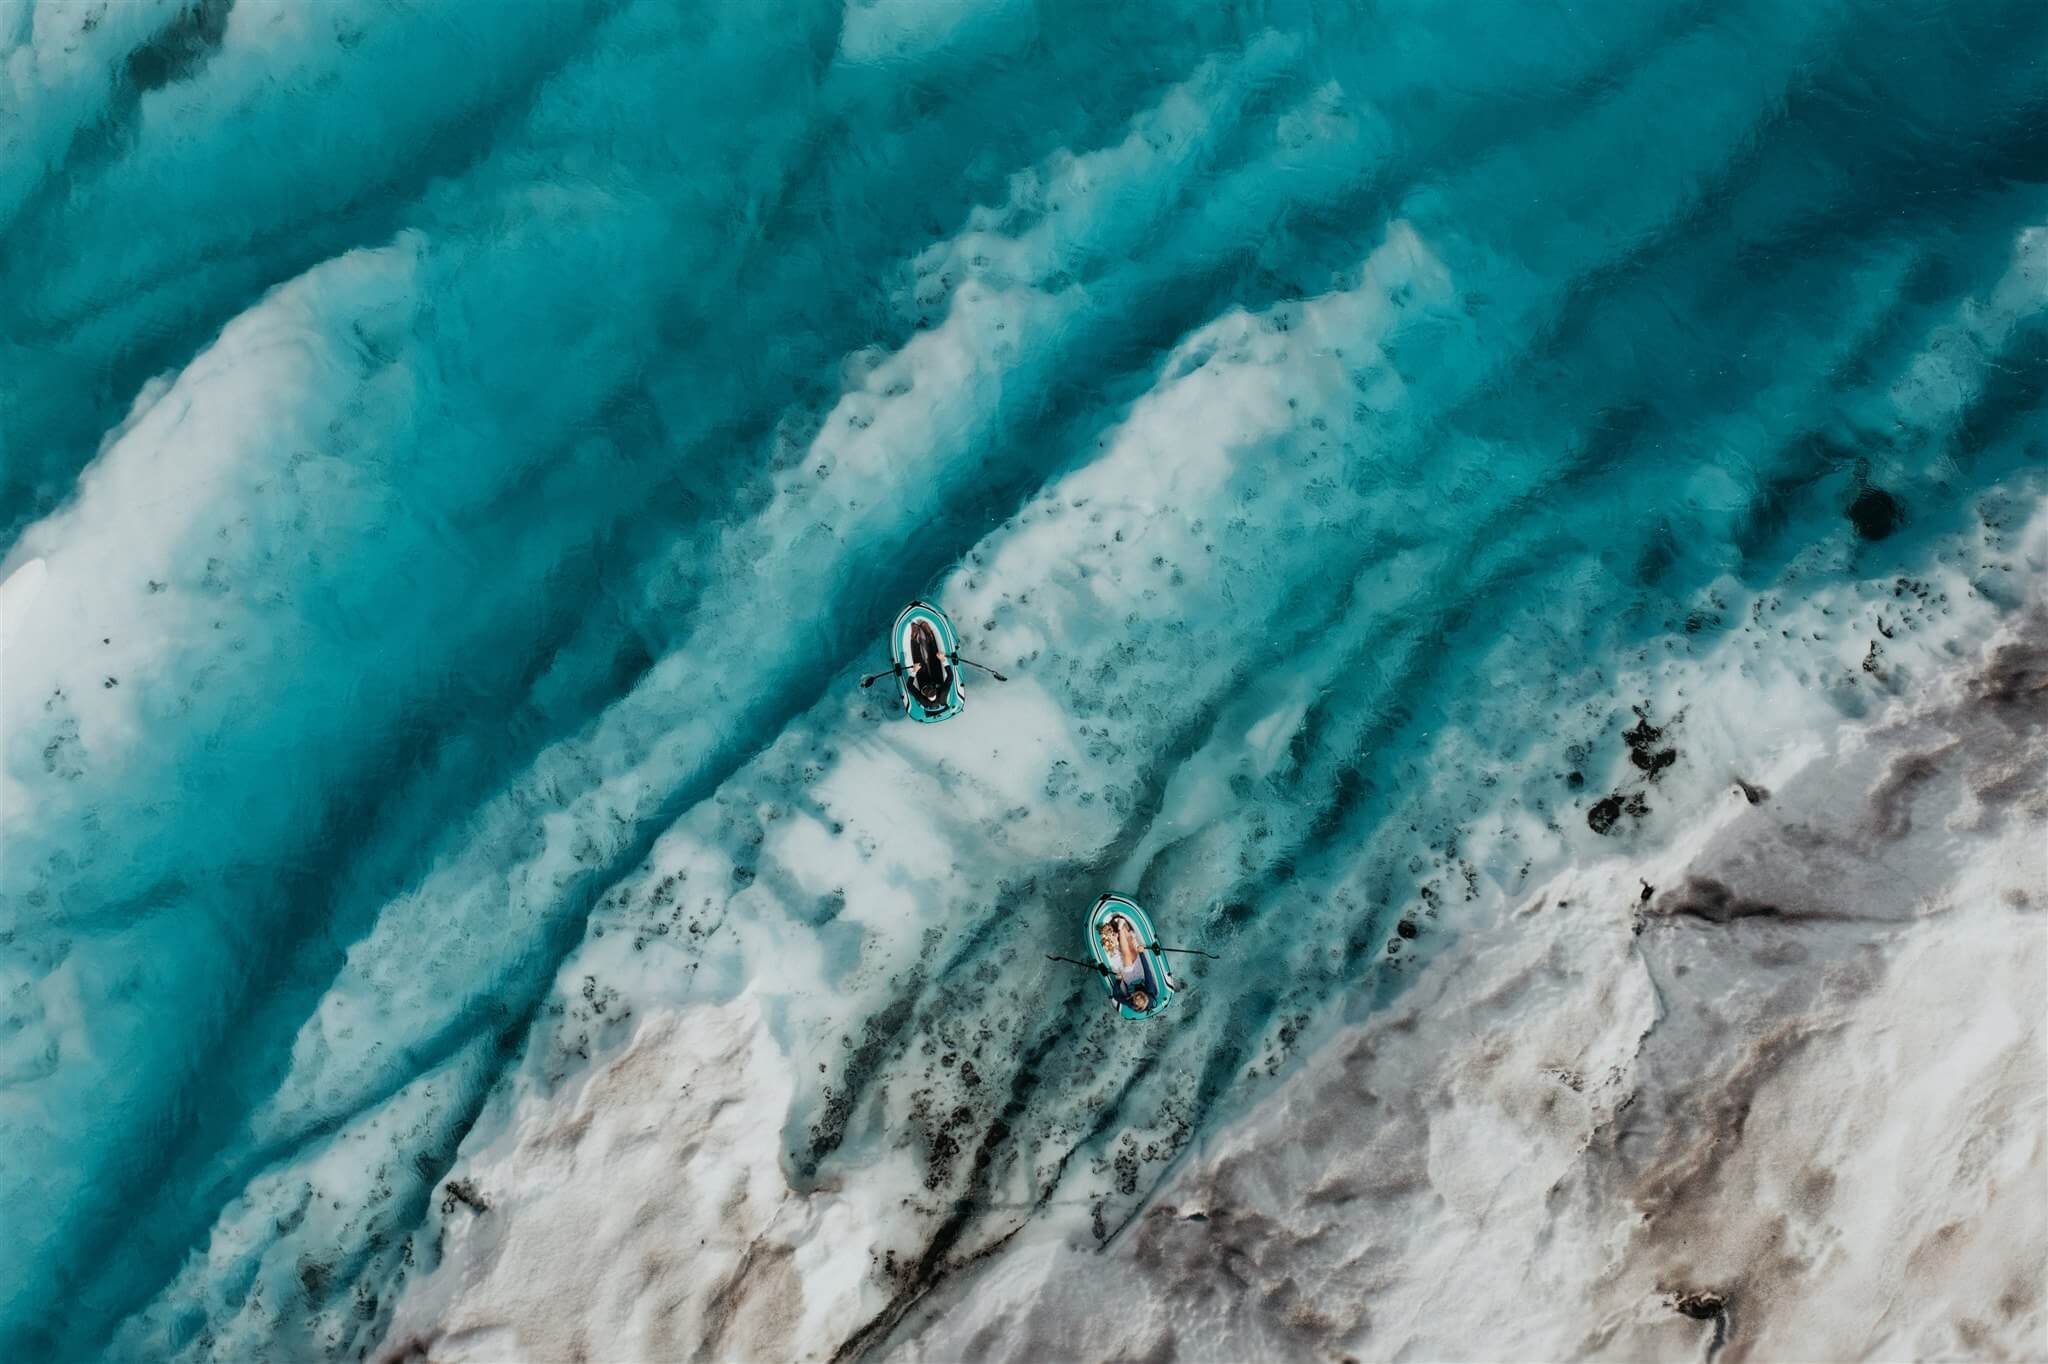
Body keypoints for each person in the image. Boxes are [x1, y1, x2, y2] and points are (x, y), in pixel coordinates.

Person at [906, 619, 952, 708]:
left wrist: (914, 671)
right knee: (935, 659)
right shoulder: (943, 694)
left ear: (925, 694)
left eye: (924, 690)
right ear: (935, 689)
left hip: (923, 680)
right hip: (937, 680)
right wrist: (943, 660)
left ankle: (914, 638)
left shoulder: (923, 700)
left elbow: (909, 686)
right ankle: (929, 635)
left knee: (918, 663)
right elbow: (950, 676)